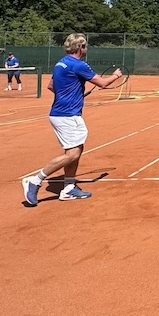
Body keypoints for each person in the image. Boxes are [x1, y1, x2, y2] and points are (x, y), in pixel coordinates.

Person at [21, 34, 123, 206]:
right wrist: (116, 75)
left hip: (60, 113)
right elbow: (103, 83)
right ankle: (35, 180)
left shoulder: (60, 63)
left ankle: (69, 188)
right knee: (73, 153)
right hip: (68, 115)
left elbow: (51, 86)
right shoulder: (79, 65)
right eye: (86, 46)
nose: (87, 49)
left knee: (76, 149)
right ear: (80, 47)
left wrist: (70, 95)